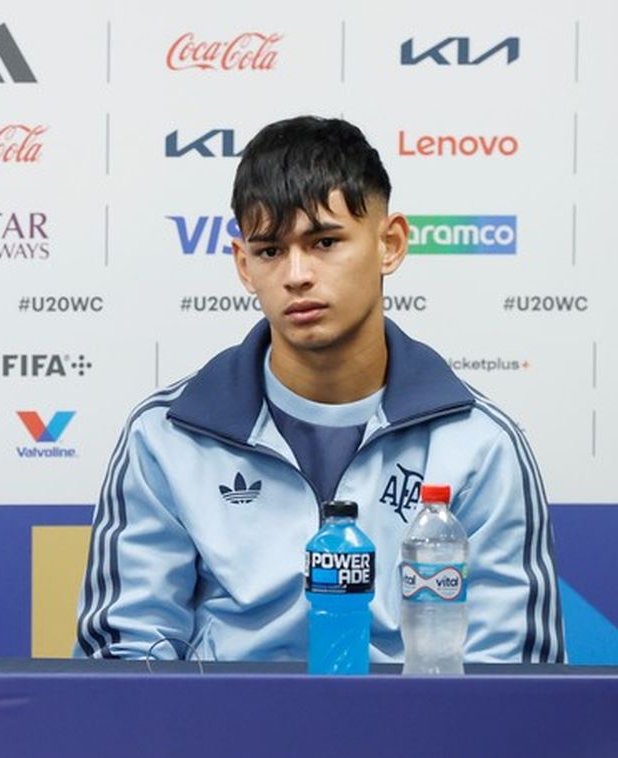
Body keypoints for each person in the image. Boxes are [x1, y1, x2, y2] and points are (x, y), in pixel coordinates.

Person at [76, 115, 563, 663]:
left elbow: (513, 681)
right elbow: (125, 661)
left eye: (325, 242)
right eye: (269, 251)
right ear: (243, 264)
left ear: (390, 244)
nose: (297, 275)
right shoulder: (167, 435)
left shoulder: (479, 444)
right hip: (224, 743)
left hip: (412, 745)